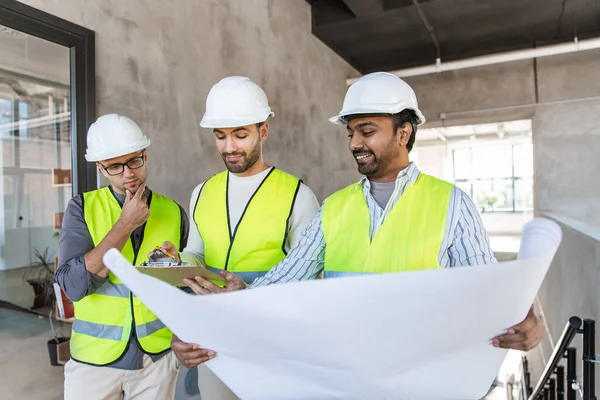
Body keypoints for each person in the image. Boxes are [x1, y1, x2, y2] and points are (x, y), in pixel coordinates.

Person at [179, 72, 545, 364]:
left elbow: (488, 290)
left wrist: (527, 320)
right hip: (347, 375)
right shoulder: (334, 207)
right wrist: (242, 294)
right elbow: (286, 277)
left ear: (404, 132)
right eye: (351, 132)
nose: (355, 142)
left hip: (421, 377)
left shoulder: (451, 204)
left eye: (367, 131)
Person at [159, 76, 320, 400]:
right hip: (214, 336)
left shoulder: (297, 196)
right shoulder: (202, 192)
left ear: (263, 131)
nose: (229, 147)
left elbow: (310, 279)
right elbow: (198, 256)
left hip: (271, 342)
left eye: (240, 135)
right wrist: (177, 261)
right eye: (220, 136)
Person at [56, 114, 189, 400]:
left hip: (156, 361)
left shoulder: (175, 212)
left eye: (134, 161)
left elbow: (183, 286)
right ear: (101, 168)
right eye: (115, 166)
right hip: (94, 363)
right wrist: (124, 225)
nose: (128, 173)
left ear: (145, 154)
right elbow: (74, 286)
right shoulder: (82, 208)